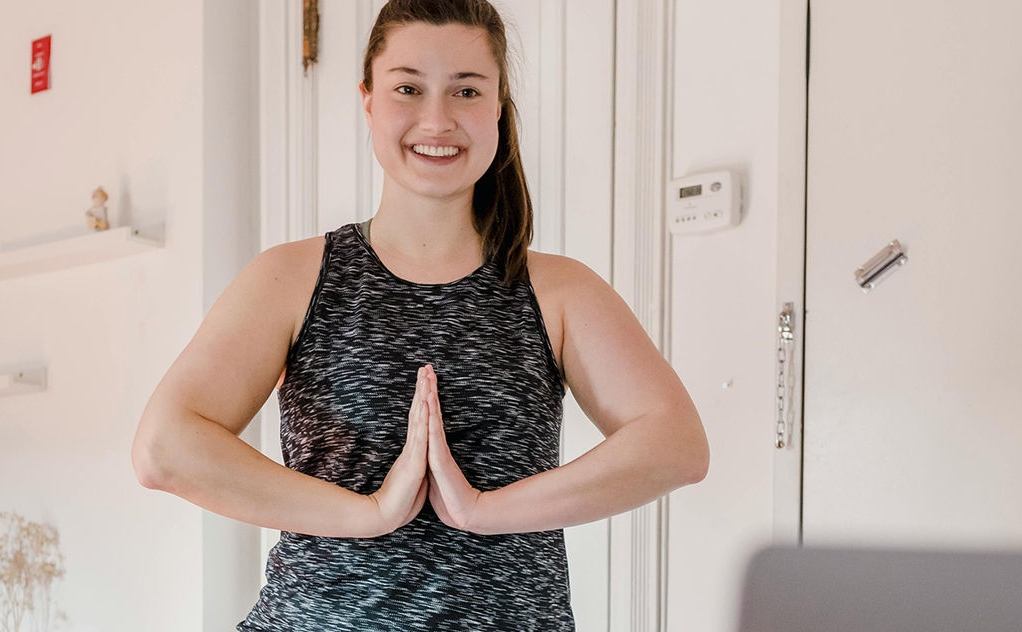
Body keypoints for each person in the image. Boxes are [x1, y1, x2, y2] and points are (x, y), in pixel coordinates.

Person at [131, 0, 709, 630]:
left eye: (467, 90)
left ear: (498, 106)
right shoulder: (290, 278)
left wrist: (482, 509)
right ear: (368, 101)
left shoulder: (560, 290)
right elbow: (165, 447)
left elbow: (676, 445)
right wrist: (371, 513)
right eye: (408, 88)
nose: (437, 120)